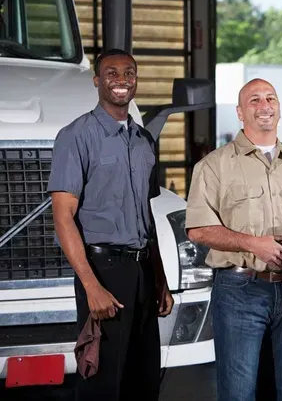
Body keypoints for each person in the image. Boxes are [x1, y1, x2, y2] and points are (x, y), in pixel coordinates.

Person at [184, 78, 282, 401]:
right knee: (240, 393)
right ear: (240, 113)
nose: (264, 105)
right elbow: (198, 229)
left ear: (279, 109)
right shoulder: (214, 167)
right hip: (240, 291)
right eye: (254, 100)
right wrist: (252, 244)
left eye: (270, 98)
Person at [48, 48, 174, 401]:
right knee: (104, 383)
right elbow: (63, 217)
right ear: (97, 81)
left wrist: (161, 280)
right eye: (112, 73)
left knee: (143, 380)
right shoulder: (76, 136)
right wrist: (91, 287)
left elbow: (147, 218)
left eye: (129, 73)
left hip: (143, 273)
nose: (121, 80)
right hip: (103, 270)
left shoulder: (143, 140)